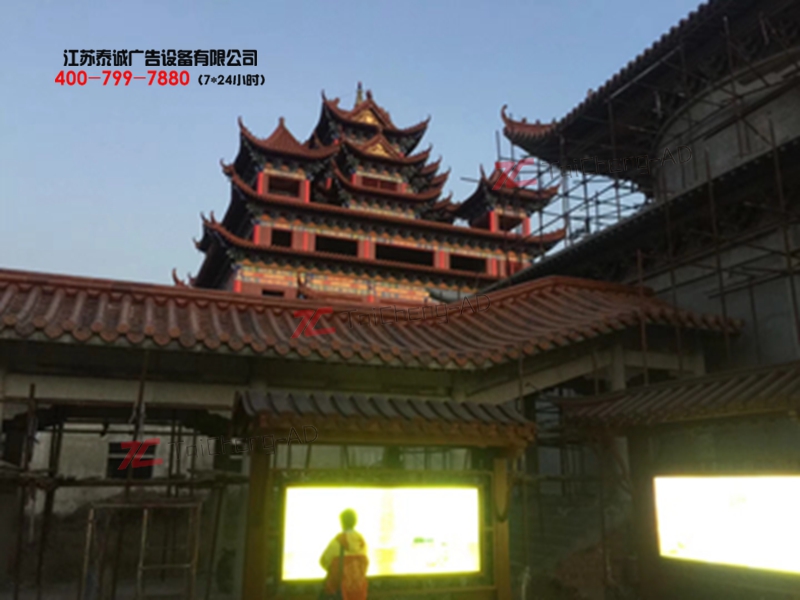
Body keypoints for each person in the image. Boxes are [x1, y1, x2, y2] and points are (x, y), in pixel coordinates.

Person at [319, 509, 369, 600]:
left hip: (340, 591)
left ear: (342, 523)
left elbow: (323, 561)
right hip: (358, 591)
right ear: (355, 522)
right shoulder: (361, 543)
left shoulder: (338, 542)